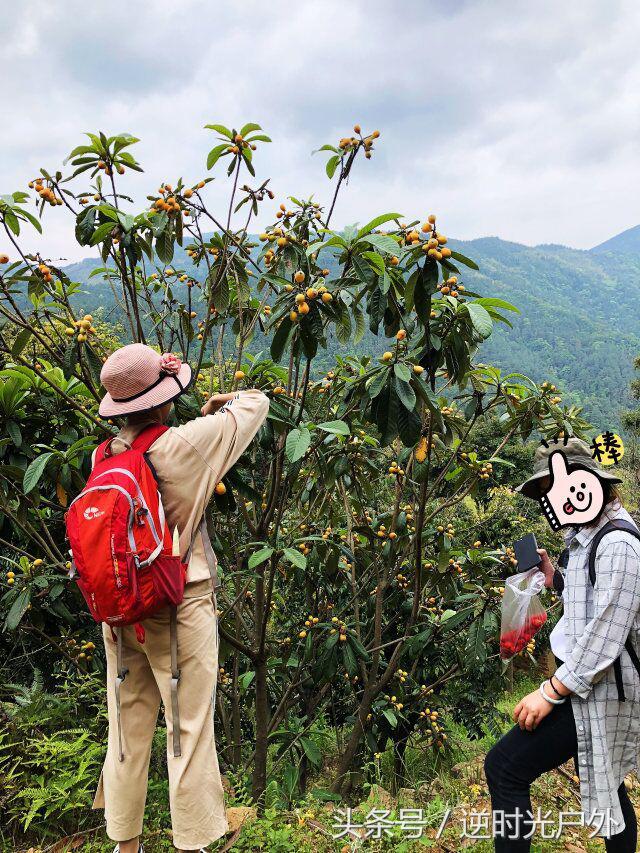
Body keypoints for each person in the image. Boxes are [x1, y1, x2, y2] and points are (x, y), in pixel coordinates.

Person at [90, 343, 269, 853]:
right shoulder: (183, 444)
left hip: (120, 608)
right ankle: (191, 844)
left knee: (126, 728)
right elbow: (255, 404)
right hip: (176, 600)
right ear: (165, 401)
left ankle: (126, 845)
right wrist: (216, 404)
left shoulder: (104, 455)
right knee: (188, 728)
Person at [484, 438, 640, 852]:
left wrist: (549, 692)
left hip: (600, 688)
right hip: (591, 685)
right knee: (607, 785)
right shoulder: (591, 535)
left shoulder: (619, 544)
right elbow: (589, 595)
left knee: (504, 768)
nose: (556, 502)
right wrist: (553, 575)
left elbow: (606, 633)